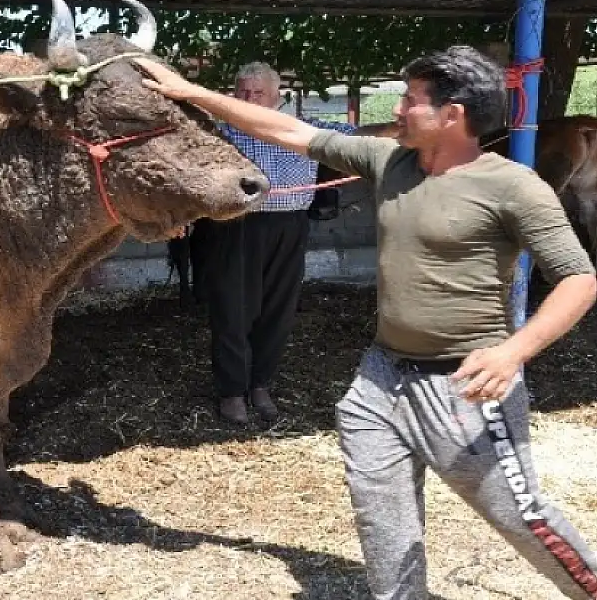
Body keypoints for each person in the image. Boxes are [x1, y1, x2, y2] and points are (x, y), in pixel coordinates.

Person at [133, 46, 597, 599]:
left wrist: (513, 352)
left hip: (465, 384)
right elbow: (287, 129)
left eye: (410, 100)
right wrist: (190, 93)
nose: (397, 110)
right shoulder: (389, 160)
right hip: (379, 382)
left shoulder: (513, 187)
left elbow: (578, 278)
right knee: (384, 525)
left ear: (453, 114)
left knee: (522, 517)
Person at [200, 61, 356, 425]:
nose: (250, 98)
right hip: (235, 226)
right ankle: (232, 392)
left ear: (276, 96)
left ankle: (260, 384)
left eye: (258, 93)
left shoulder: (303, 129)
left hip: (290, 226)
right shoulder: (218, 131)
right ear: (233, 93)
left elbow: (356, 135)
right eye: (243, 92)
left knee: (278, 311)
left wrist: (401, 128)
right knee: (233, 309)